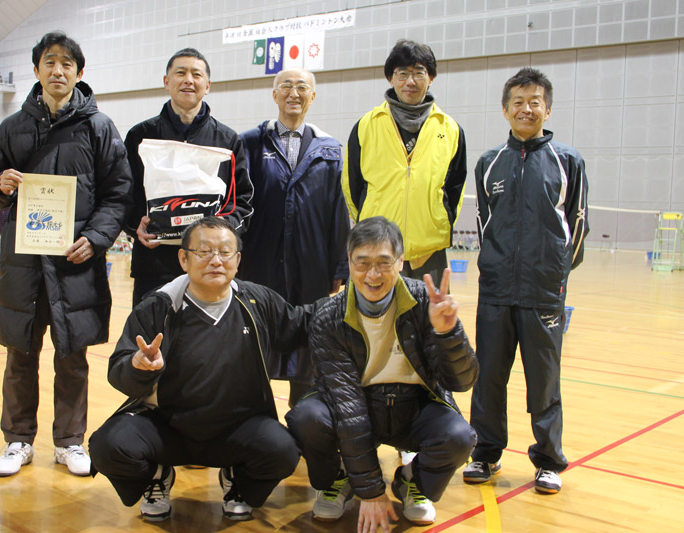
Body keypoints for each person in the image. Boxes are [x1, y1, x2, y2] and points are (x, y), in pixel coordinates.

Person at [0, 31, 132, 478]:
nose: (58, 70)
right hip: (22, 265)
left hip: (75, 263)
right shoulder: (11, 128)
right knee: (19, 354)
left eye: (67, 63)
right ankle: (17, 440)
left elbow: (118, 193)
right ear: (37, 70)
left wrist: (98, 238)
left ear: (79, 73)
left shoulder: (99, 128)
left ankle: (69, 442)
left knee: (72, 356)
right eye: (49, 62)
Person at [89, 216, 313, 523]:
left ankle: (238, 481)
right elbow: (119, 370)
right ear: (183, 258)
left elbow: (300, 324)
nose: (216, 261)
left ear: (238, 260)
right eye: (204, 251)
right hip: (167, 428)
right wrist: (139, 367)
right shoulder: (158, 307)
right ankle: (156, 476)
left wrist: (353, 300)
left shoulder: (256, 301)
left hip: (237, 429)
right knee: (107, 446)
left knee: (283, 451)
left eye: (225, 252)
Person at [286, 216, 478, 531]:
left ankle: (411, 480)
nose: (372, 275)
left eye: (383, 263)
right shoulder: (328, 317)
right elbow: (348, 407)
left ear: (401, 262)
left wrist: (448, 333)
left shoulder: (424, 302)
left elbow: (463, 381)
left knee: (459, 437)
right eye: (362, 264)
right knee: (306, 418)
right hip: (357, 402)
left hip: (413, 406)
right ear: (348, 263)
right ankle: (339, 477)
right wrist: (371, 491)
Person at [463, 67, 589, 495]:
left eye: (535, 101)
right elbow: (484, 225)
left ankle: (549, 460)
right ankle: (485, 453)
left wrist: (555, 277)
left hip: (543, 292)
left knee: (544, 381)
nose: (526, 108)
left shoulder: (567, 160)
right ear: (505, 109)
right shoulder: (488, 162)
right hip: (496, 292)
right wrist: (497, 267)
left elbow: (578, 224)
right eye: (518, 101)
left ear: (547, 109)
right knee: (489, 377)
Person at [238, 67, 349, 406]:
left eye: (302, 87)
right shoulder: (250, 143)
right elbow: (239, 203)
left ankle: (305, 422)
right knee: (256, 345)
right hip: (259, 266)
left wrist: (339, 268)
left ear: (312, 97)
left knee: (310, 348)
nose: (294, 93)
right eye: (285, 85)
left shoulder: (330, 150)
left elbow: (337, 212)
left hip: (311, 268)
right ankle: (255, 421)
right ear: (274, 94)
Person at [123, 48, 253, 307]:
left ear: (208, 85)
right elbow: (124, 194)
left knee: (204, 345)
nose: (188, 80)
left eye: (196, 74)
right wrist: (133, 227)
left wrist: (217, 236)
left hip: (208, 267)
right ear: (166, 82)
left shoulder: (228, 140)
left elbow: (242, 204)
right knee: (152, 341)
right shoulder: (140, 135)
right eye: (180, 73)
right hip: (153, 266)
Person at [342, 39, 466, 287]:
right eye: (402, 74)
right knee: (374, 324)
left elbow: (455, 187)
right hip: (376, 250)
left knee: (431, 324)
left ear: (430, 78)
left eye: (419, 73)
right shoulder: (366, 126)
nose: (410, 81)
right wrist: (368, 225)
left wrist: (436, 223)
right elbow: (352, 186)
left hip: (429, 253)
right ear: (391, 78)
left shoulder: (450, 129)